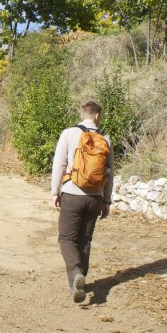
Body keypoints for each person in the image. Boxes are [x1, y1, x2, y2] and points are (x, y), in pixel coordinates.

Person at [50, 100, 114, 304]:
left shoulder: (69, 133)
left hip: (72, 194)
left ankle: (75, 275)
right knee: (84, 240)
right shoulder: (105, 138)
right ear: (97, 116)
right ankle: (80, 281)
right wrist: (106, 200)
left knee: (66, 238)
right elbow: (110, 173)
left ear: (83, 114)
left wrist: (55, 192)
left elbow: (59, 164)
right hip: (95, 197)